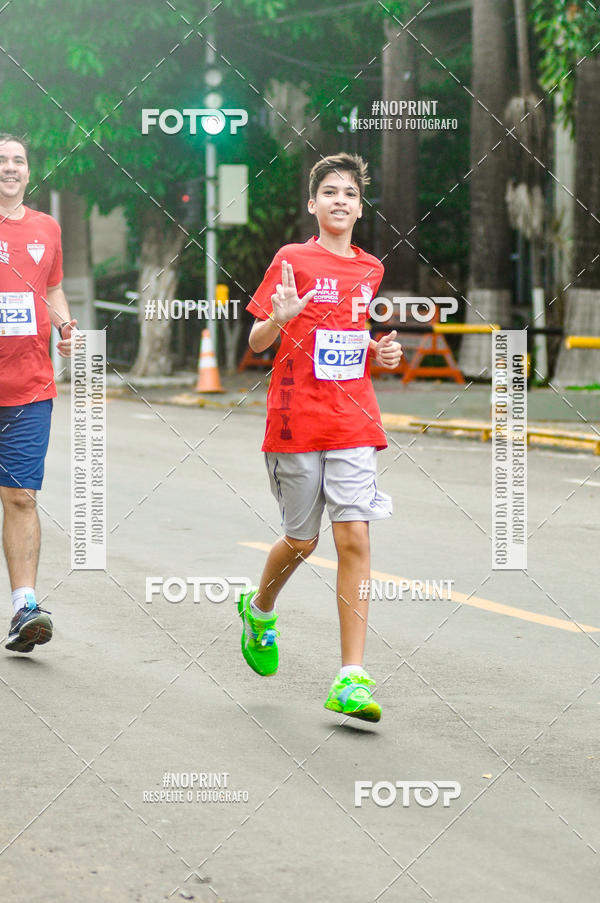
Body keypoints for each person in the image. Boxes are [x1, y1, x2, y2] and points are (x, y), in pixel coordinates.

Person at [239, 152, 403, 722]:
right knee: (303, 542)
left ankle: (350, 678)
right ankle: (260, 610)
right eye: (330, 192)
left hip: (354, 418)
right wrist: (280, 317)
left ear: (360, 207)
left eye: (350, 194)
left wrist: (382, 352)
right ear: (313, 204)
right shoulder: (292, 260)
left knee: (354, 538)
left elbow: (358, 341)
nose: (341, 200)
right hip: (294, 421)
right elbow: (258, 343)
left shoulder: (370, 269)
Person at [0, 133, 77, 653]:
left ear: (30, 171)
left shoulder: (46, 228)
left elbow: (51, 289)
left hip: (30, 387)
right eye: (2, 161)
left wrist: (67, 325)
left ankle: (25, 607)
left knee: (21, 497)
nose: (10, 168)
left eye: (18, 161)